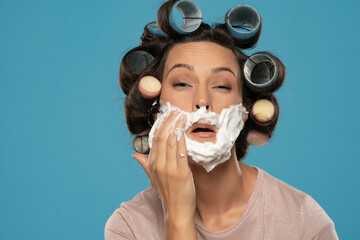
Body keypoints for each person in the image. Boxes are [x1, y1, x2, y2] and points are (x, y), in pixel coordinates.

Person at [105, 1, 339, 239]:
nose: (203, 100)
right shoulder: (129, 227)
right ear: (156, 109)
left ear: (244, 109)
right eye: (182, 83)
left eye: (221, 85)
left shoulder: (302, 220)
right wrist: (177, 215)